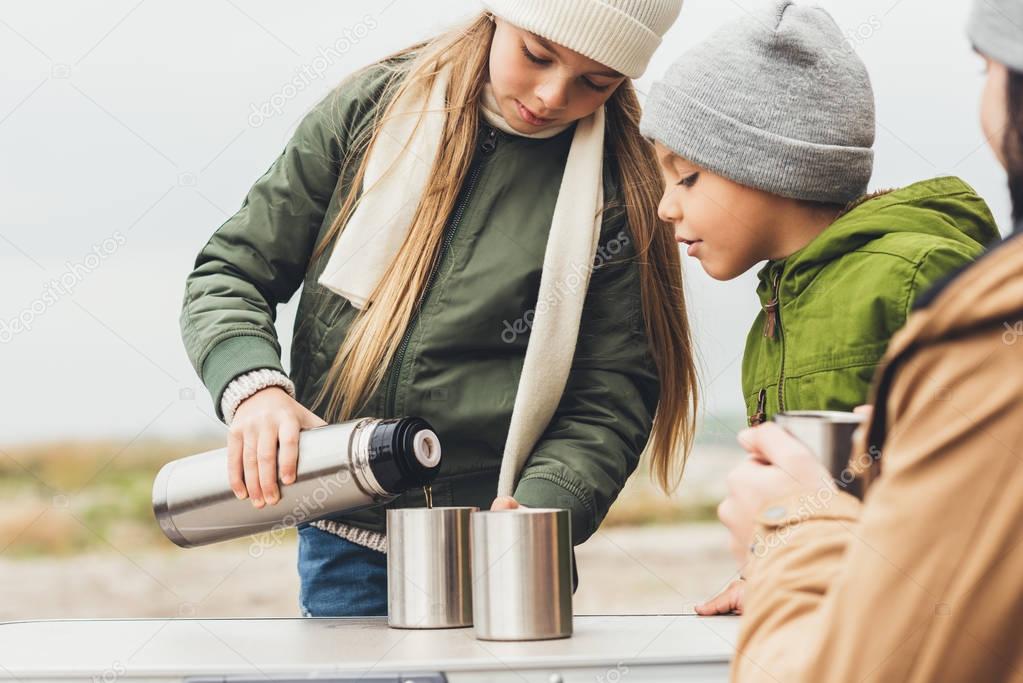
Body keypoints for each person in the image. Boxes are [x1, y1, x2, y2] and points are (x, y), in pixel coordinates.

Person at [179, 0, 698, 617]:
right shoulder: (371, 109)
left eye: (596, 82)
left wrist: (542, 508)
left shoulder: (625, 188)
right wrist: (254, 389)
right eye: (537, 54)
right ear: (496, 16)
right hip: (345, 534)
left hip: (504, 545)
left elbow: (611, 393)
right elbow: (232, 271)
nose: (553, 94)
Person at [712, 0, 1023, 679]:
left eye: (984, 68)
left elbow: (885, 655)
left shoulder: (957, 310)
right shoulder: (773, 308)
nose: (663, 206)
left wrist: (790, 531)